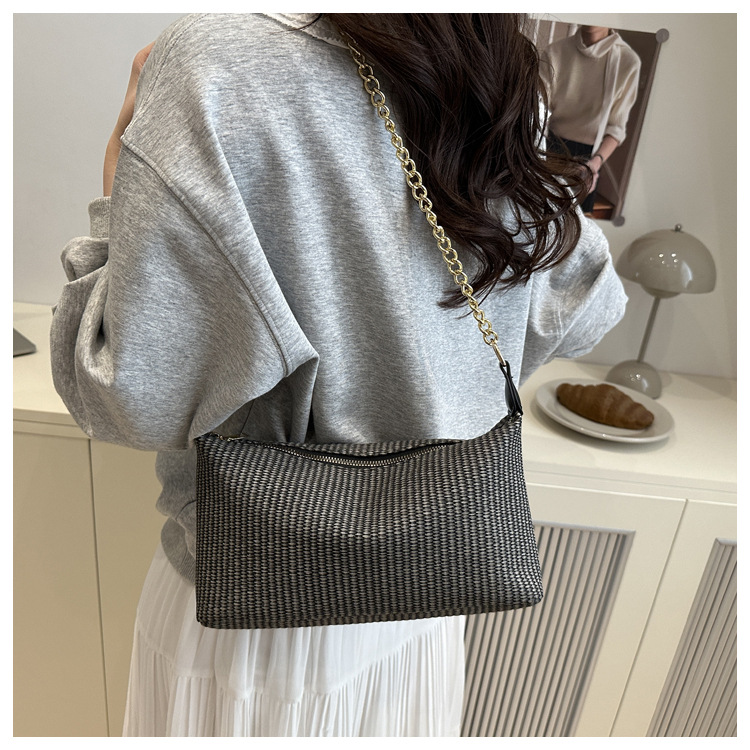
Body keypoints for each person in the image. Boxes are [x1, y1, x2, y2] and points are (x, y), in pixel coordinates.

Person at [50, 13, 627, 737]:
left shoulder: (214, 61)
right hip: (425, 612)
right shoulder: (498, 66)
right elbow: (586, 304)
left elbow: (129, 397)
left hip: (251, 649)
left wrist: (118, 177)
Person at [540, 25, 641, 214]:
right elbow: (538, 111)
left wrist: (595, 164)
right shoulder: (555, 52)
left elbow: (616, 128)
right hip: (549, 147)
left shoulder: (627, 61)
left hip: (590, 157)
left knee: (579, 225)